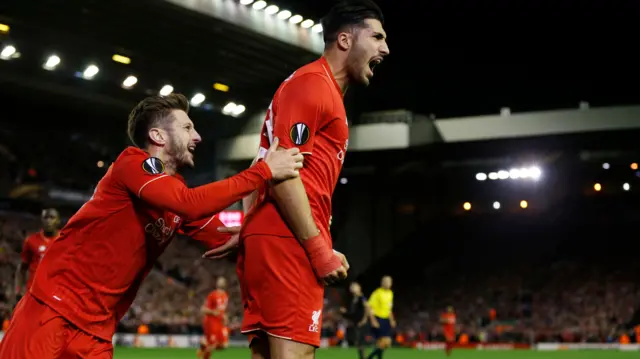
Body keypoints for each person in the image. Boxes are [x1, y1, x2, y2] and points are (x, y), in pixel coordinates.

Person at [0, 93, 303, 359]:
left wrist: (301, 238)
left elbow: (226, 234)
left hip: (97, 331)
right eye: (187, 127)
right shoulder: (132, 163)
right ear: (158, 136)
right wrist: (262, 172)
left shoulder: (175, 196)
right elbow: (189, 202)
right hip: (53, 309)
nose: (197, 137)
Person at [204, 1, 389, 358]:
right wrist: (318, 248)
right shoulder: (313, 85)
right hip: (287, 237)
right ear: (346, 40)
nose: (385, 48)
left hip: (274, 233)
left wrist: (249, 224)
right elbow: (282, 173)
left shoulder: (318, 90)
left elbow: (263, 161)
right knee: (296, 354)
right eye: (377, 36)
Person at [13, 208, 60, 307]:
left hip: (56, 294)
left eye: (52, 217)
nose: (48, 221)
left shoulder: (65, 240)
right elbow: (22, 268)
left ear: (58, 220)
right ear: (41, 220)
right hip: (34, 293)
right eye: (45, 217)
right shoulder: (31, 241)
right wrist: (18, 290)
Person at [198, 277, 230, 359]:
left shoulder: (225, 296)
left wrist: (224, 316)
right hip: (211, 322)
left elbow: (222, 310)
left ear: (225, 284)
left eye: (222, 281)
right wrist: (213, 312)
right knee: (212, 344)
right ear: (217, 284)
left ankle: (203, 346)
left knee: (224, 345)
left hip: (220, 323)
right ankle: (204, 351)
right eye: (219, 281)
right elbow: (203, 309)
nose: (220, 282)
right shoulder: (212, 295)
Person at [367, 276, 395, 359]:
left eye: (389, 281)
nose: (387, 283)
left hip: (386, 320)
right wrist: (373, 320)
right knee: (384, 342)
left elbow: (389, 309)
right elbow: (369, 307)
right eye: (386, 281)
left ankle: (371, 357)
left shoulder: (390, 293)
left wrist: (392, 320)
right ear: (382, 283)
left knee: (383, 344)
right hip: (378, 318)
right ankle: (370, 357)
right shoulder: (377, 293)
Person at [340, 282, 370, 359]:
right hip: (356, 322)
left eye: (354, 287)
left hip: (361, 322)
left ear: (359, 288)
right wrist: (345, 312)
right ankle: (362, 357)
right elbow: (353, 313)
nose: (352, 288)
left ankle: (363, 357)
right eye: (351, 287)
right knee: (358, 342)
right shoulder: (352, 299)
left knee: (361, 342)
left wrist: (364, 320)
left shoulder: (361, 297)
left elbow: (367, 308)